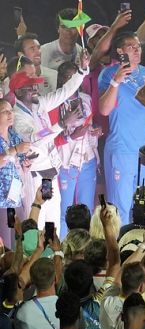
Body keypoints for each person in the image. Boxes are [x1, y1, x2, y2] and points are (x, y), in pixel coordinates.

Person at [12, 50, 89, 232]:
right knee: (35, 226)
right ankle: (36, 260)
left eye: (36, 85)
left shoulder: (39, 105)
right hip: (35, 177)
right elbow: (33, 139)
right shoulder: (16, 116)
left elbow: (64, 92)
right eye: (31, 87)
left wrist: (81, 70)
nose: (36, 89)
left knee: (52, 225)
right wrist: (61, 124)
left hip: (50, 176)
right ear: (19, 91)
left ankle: (53, 257)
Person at [98, 31, 145, 224]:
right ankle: (117, 252)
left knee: (144, 206)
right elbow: (104, 109)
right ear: (120, 51)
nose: (137, 50)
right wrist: (116, 81)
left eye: (139, 46)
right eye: (132, 47)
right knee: (120, 208)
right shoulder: (108, 74)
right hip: (122, 149)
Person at [52, 61, 101, 238]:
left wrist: (95, 131)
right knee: (64, 209)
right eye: (67, 77)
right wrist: (70, 136)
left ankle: (84, 248)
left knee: (85, 208)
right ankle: (63, 250)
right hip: (66, 164)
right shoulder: (53, 103)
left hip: (87, 161)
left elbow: (90, 127)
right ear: (60, 79)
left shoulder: (86, 99)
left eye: (75, 76)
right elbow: (48, 139)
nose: (71, 81)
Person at [0, 98, 30, 245]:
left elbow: (22, 158)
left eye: (11, 111)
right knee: (7, 246)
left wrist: (26, 163)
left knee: (20, 240)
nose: (10, 114)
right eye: (5, 111)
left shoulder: (14, 136)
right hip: (1, 200)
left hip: (15, 196)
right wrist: (14, 150)